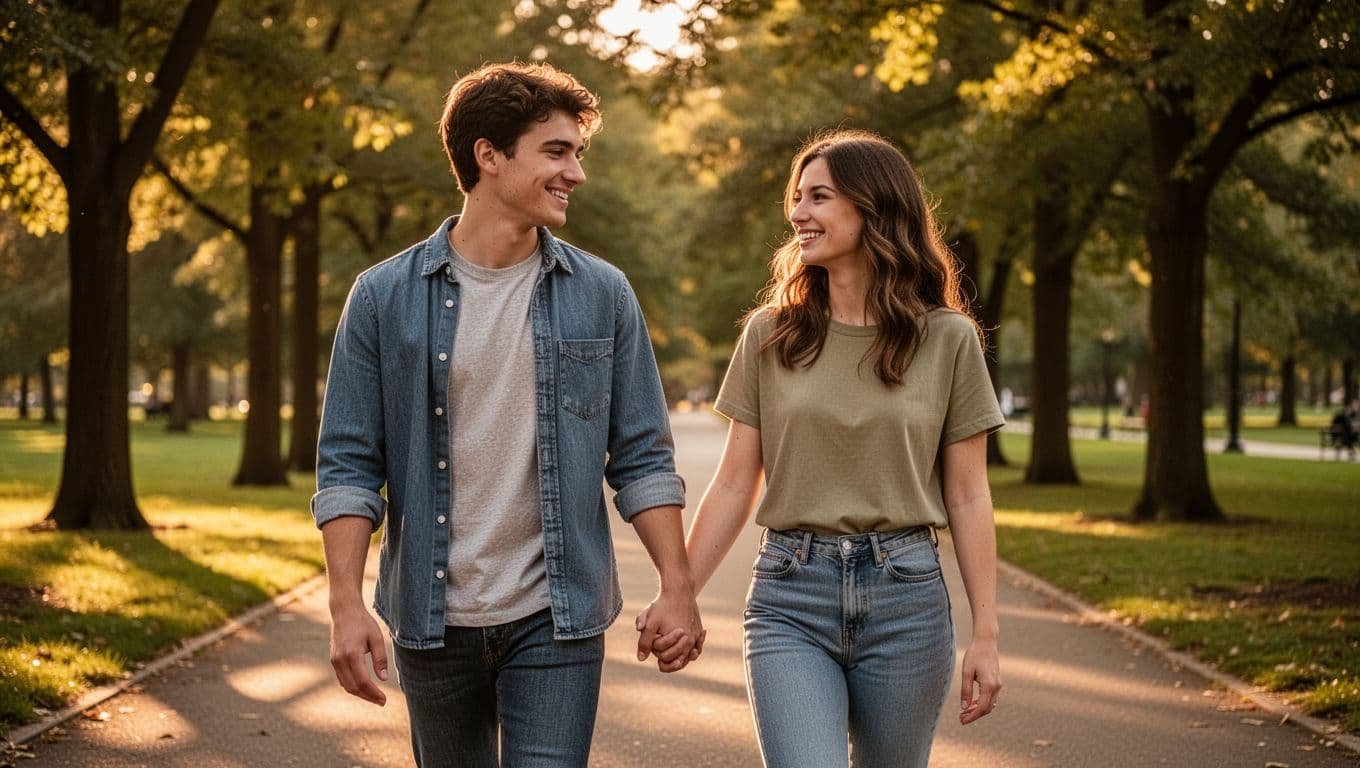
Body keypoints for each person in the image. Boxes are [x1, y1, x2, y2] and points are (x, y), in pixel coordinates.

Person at [312, 61, 703, 768]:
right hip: (432, 622)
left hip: (557, 617)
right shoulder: (381, 297)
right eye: (556, 152)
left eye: (577, 154)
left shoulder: (603, 294)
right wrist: (344, 604)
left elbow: (644, 456)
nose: (576, 174)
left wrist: (679, 589)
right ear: (488, 156)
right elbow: (347, 465)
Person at [644, 129, 1004, 767]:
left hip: (907, 598)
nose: (797, 214)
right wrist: (681, 592)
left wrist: (987, 634)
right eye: (796, 198)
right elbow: (733, 482)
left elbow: (969, 493)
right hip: (790, 594)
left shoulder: (948, 339)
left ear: (874, 209)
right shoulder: (770, 334)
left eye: (818, 198)